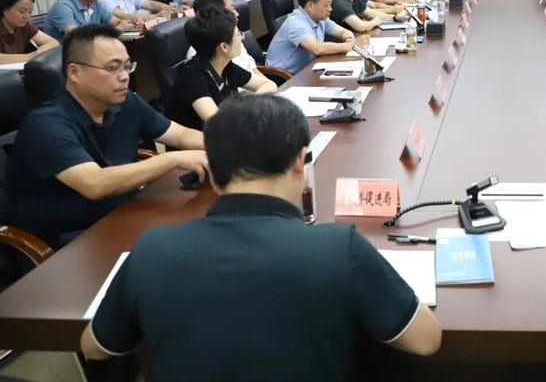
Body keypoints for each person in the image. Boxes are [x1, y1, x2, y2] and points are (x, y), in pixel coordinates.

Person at [79, 95, 442, 380]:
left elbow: (94, 347)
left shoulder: (150, 250)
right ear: (300, 162)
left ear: (212, 173)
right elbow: (426, 340)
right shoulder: (339, 248)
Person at [6, 25, 207, 245]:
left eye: (127, 67)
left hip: (119, 211)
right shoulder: (46, 124)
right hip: (66, 238)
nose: (124, 77)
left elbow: (179, 135)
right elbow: (95, 184)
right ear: (75, 72)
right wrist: (172, 159)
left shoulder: (124, 101)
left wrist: (225, 145)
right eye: (113, 69)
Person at [164, 7, 276, 131]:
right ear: (224, 47)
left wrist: (250, 106)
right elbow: (219, 124)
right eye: (238, 35)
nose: (241, 39)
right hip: (200, 139)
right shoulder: (192, 77)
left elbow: (268, 84)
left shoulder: (225, 65)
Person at [266, 0, 355, 75]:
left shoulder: (321, 18)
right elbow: (316, 49)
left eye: (330, 4)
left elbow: (342, 32)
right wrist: (349, 46)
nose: (330, 9)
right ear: (310, 6)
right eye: (326, 5)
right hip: (283, 76)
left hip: (307, 71)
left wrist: (349, 39)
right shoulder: (296, 22)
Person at [186, 0, 260, 74]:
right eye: (231, 9)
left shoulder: (232, 36)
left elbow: (253, 71)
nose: (237, 14)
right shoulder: (200, 53)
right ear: (215, 15)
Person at [0, 0, 58, 64]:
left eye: (30, 12)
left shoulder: (24, 26)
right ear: (4, 8)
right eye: (22, 11)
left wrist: (40, 52)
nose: (27, 16)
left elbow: (53, 42)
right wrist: (29, 57)